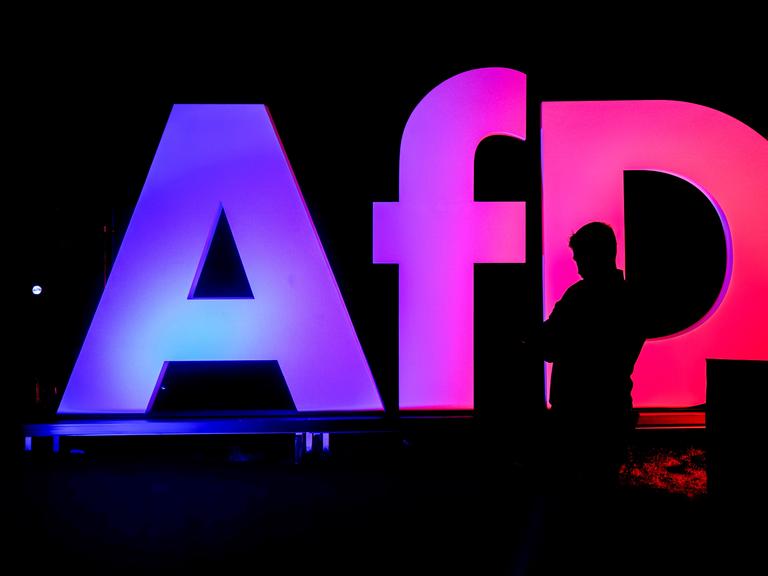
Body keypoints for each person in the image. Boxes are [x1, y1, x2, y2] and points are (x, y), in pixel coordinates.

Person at [529, 222, 646, 489]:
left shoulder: (578, 298)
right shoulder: (631, 299)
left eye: (580, 257)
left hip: (574, 414)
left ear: (592, 256)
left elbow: (547, 344)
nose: (578, 265)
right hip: (612, 410)